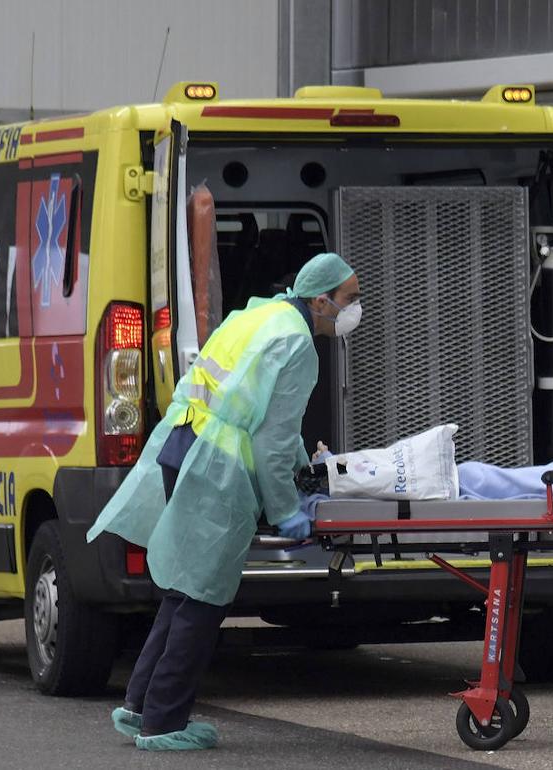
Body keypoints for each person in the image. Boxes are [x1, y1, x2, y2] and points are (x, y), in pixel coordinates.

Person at [85, 252, 362, 751]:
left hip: (182, 442)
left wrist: (305, 464)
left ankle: (141, 706)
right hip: (217, 464)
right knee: (203, 595)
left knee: (181, 588)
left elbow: (259, 410)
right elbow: (270, 440)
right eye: (349, 300)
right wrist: (285, 511)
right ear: (321, 300)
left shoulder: (262, 313)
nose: (352, 310)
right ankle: (163, 723)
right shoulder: (299, 344)